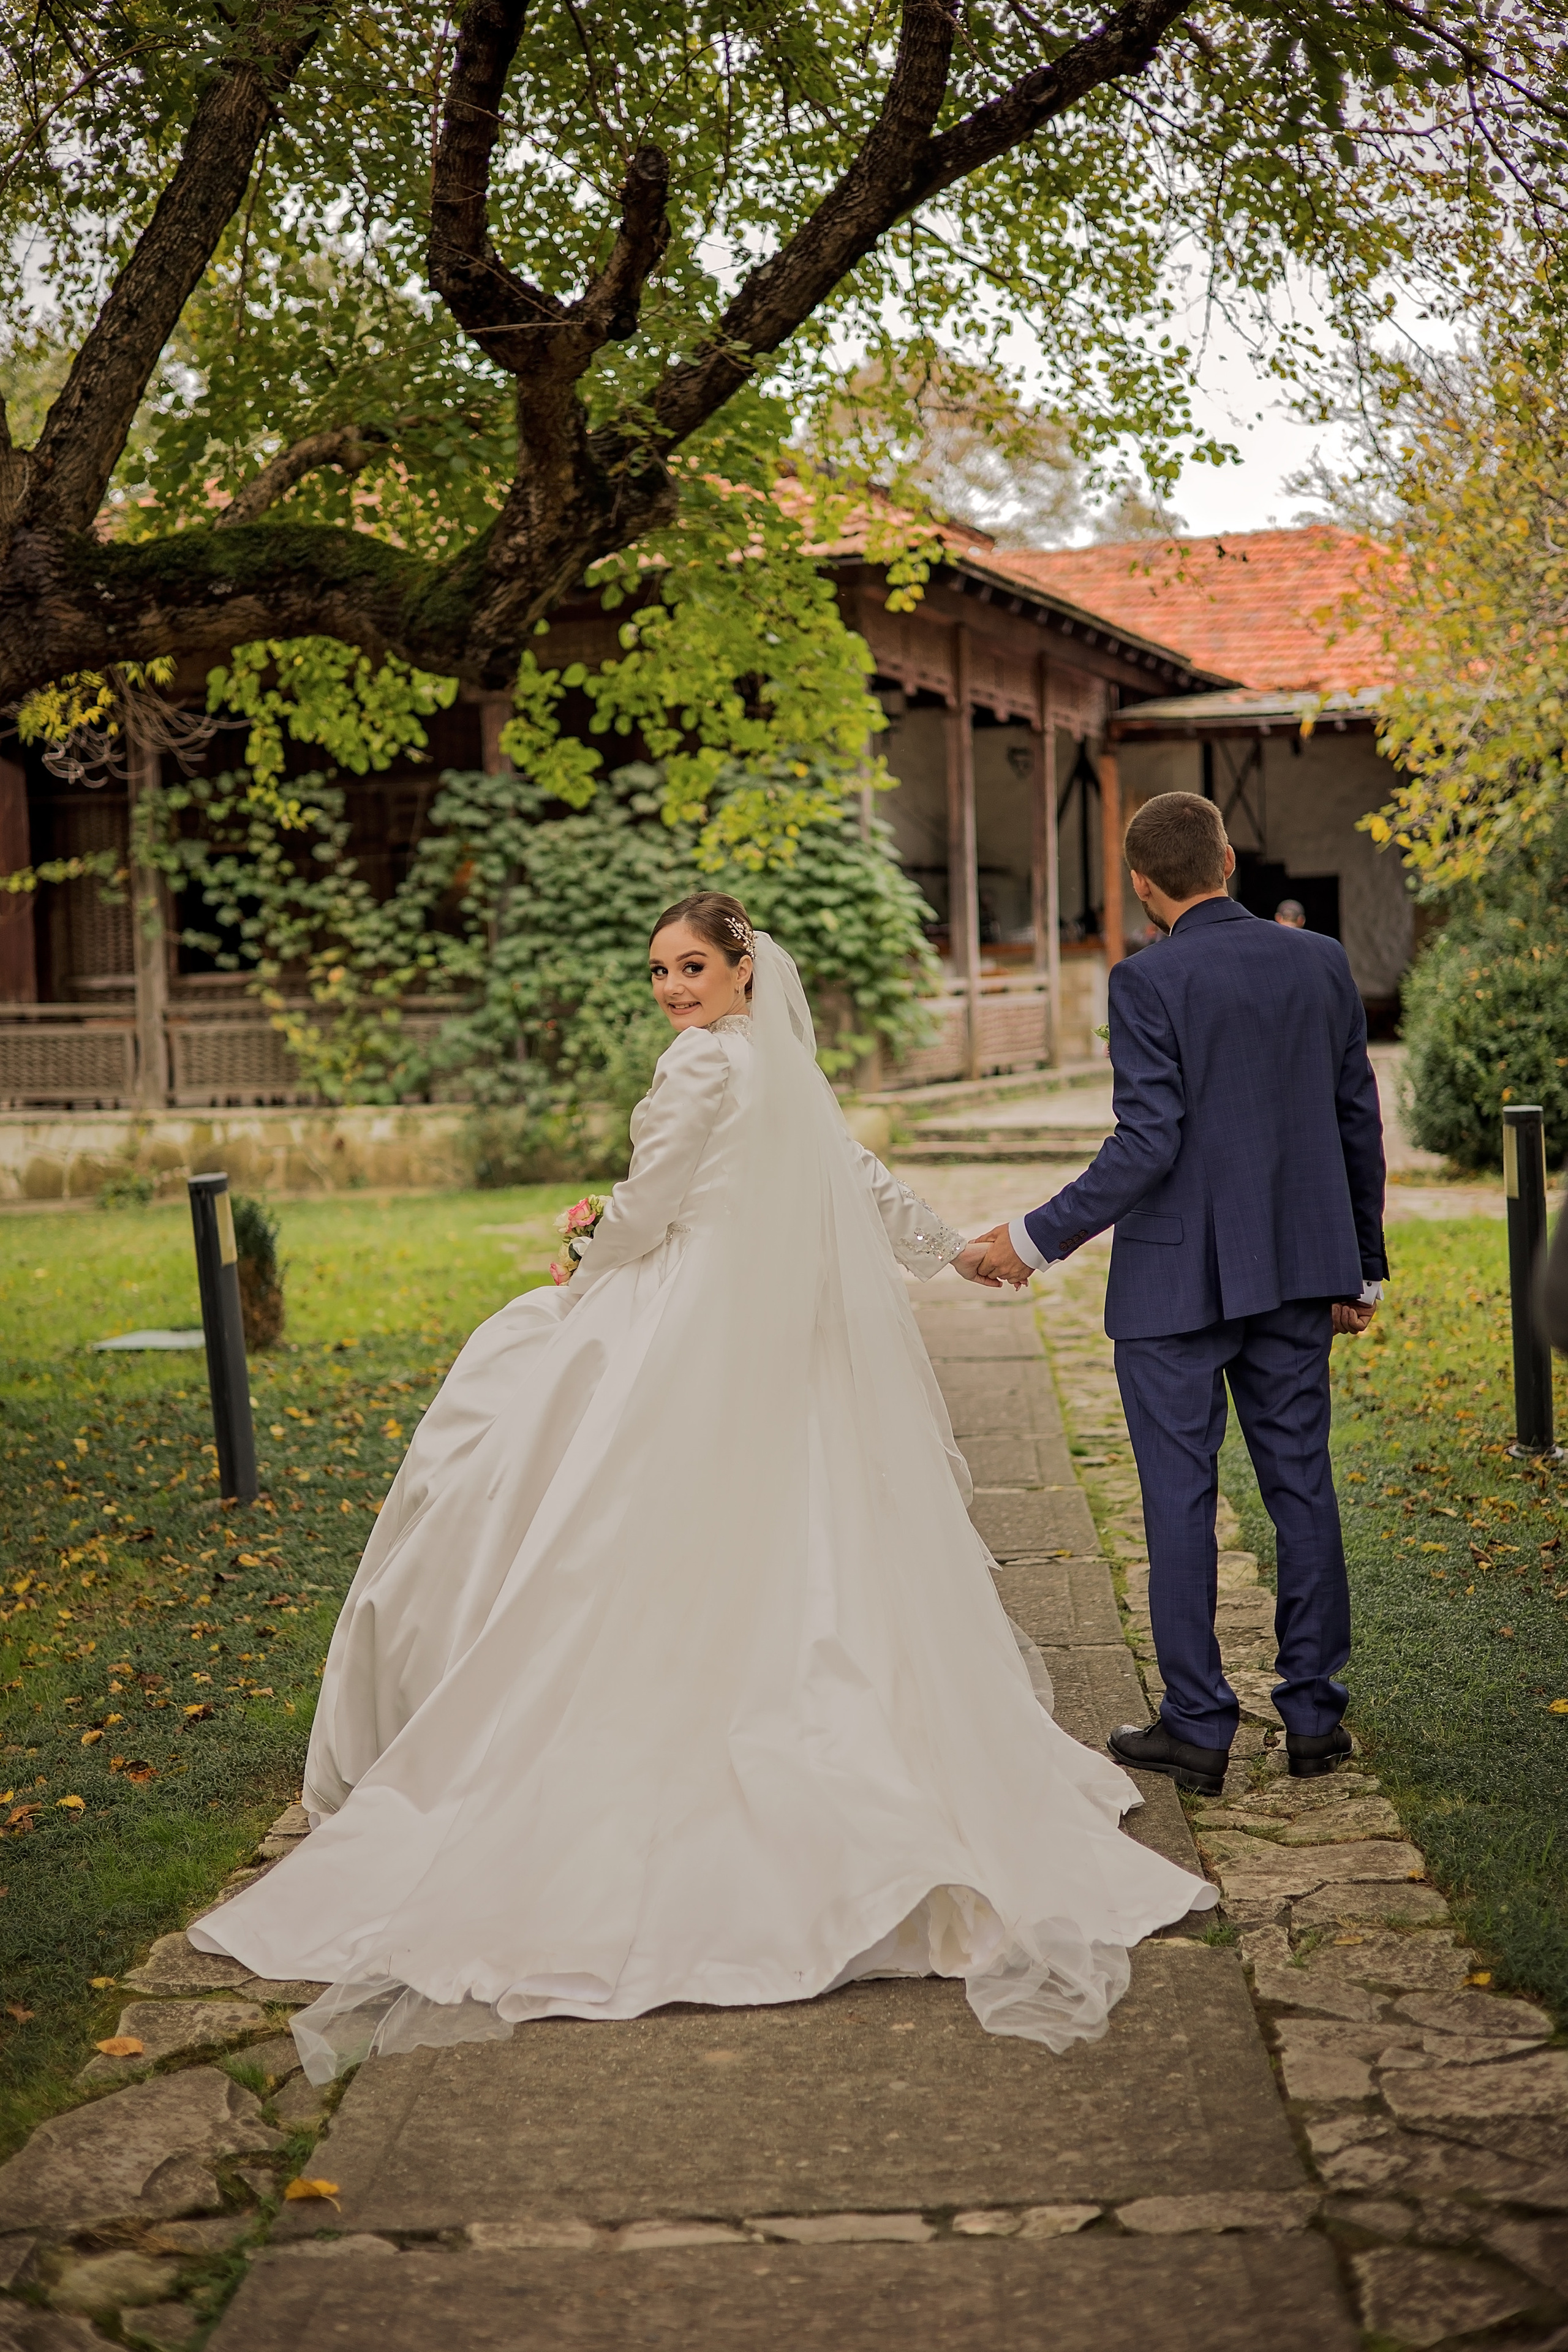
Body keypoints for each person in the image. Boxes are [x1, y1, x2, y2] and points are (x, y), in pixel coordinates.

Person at [192, 892, 1212, 2079]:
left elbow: (654, 1208)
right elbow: (857, 1181)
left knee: (551, 1455)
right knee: (806, 1536)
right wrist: (951, 1250)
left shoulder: (693, 1073)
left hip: (682, 1319)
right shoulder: (781, 1068)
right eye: (659, 973)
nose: (672, 989)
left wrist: (582, 1252)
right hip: (778, 1334)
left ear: (740, 970)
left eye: (690, 967)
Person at [968, 796, 1387, 1800]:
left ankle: (1197, 1729)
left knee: (1179, 1501)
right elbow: (1356, 1119)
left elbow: (1148, 1142)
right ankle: (1315, 1721)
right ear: (1231, 860)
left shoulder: (1145, 979)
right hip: (1296, 1272)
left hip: (1173, 1289)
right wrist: (1359, 1263)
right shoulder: (1320, 960)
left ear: (1141, 885)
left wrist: (1030, 1240)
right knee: (1301, 1488)